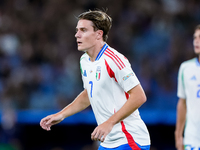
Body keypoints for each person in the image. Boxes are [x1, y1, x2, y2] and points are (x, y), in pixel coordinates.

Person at [40, 10, 151, 150]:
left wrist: (109, 123)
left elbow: (139, 97)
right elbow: (88, 94)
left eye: (83, 30)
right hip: (108, 142)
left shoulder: (113, 60)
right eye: (77, 30)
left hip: (129, 138)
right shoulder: (84, 60)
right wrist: (61, 115)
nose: (77, 35)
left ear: (99, 34)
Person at [175, 24, 200, 150]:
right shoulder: (185, 68)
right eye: (195, 37)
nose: (196, 40)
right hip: (192, 138)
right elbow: (182, 102)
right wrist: (178, 134)